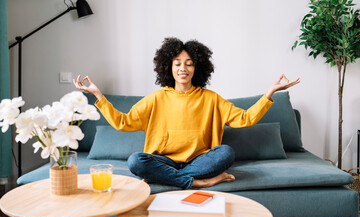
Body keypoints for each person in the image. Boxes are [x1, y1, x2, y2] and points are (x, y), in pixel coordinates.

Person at [73, 37, 300, 189]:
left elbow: (245, 118)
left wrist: (270, 92)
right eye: (178, 63)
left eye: (189, 64)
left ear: (197, 68)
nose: (183, 68)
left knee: (226, 152)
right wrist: (99, 96)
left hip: (200, 160)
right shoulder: (156, 98)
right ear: (169, 67)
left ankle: (174, 179)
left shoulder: (210, 98)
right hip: (163, 160)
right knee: (136, 161)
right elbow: (123, 122)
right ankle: (198, 182)